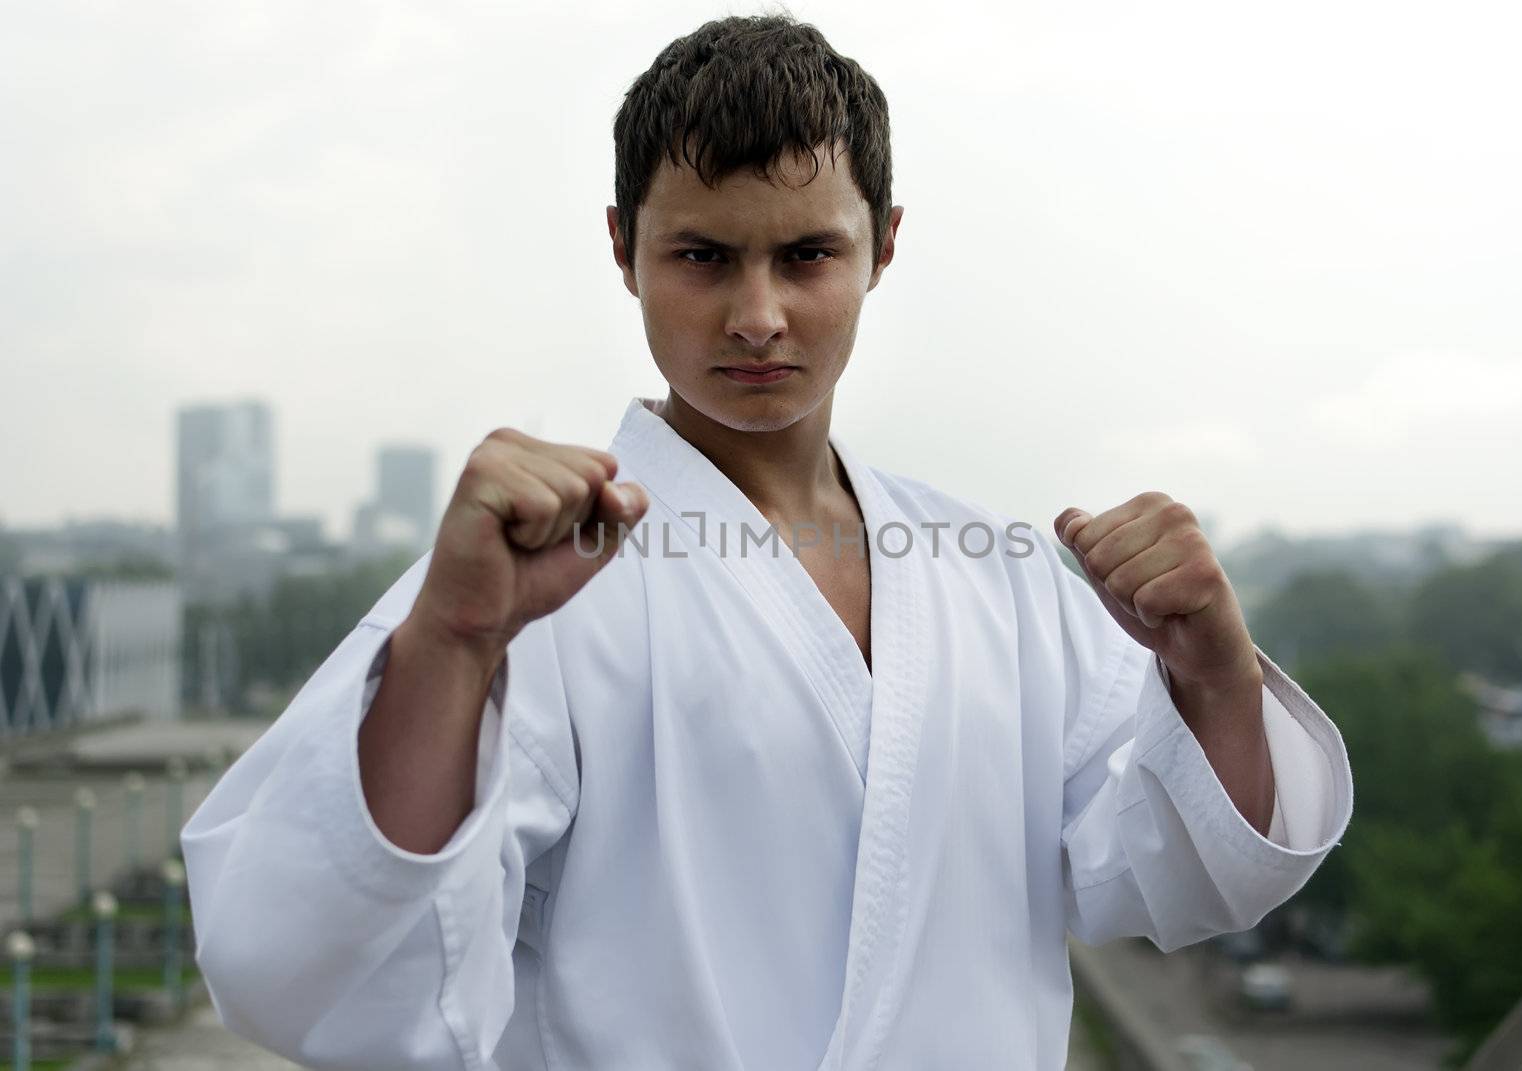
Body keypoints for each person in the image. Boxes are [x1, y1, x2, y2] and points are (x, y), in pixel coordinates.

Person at [182, 13, 1352, 1070]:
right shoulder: (524, 588)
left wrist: (1208, 675)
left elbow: (1177, 876)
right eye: (701, 256)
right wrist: (449, 641)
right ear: (621, 245)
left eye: (807, 255)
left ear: (882, 245)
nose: (756, 318)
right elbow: (310, 971)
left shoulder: (994, 576)